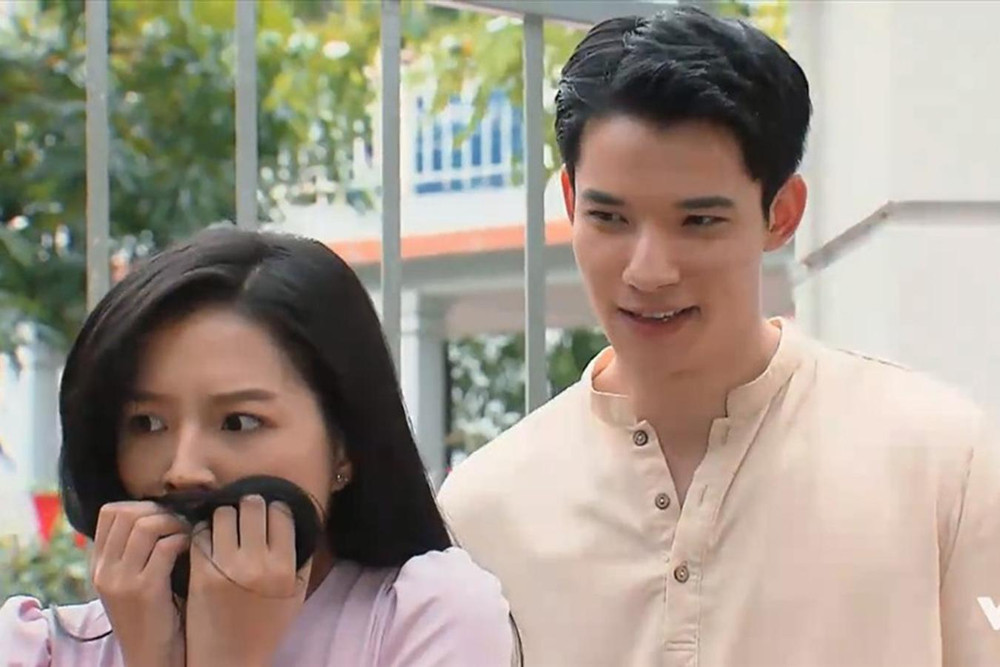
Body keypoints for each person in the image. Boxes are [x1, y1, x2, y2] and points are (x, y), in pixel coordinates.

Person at [437, 6, 1000, 666]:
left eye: (698, 221)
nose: (648, 271)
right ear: (569, 202)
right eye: (610, 218)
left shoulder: (938, 460)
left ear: (781, 214)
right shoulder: (484, 511)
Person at [0, 228, 514, 666]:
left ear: (344, 445)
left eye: (239, 422)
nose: (183, 470)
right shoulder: (37, 648)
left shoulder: (428, 618)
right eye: (148, 423)